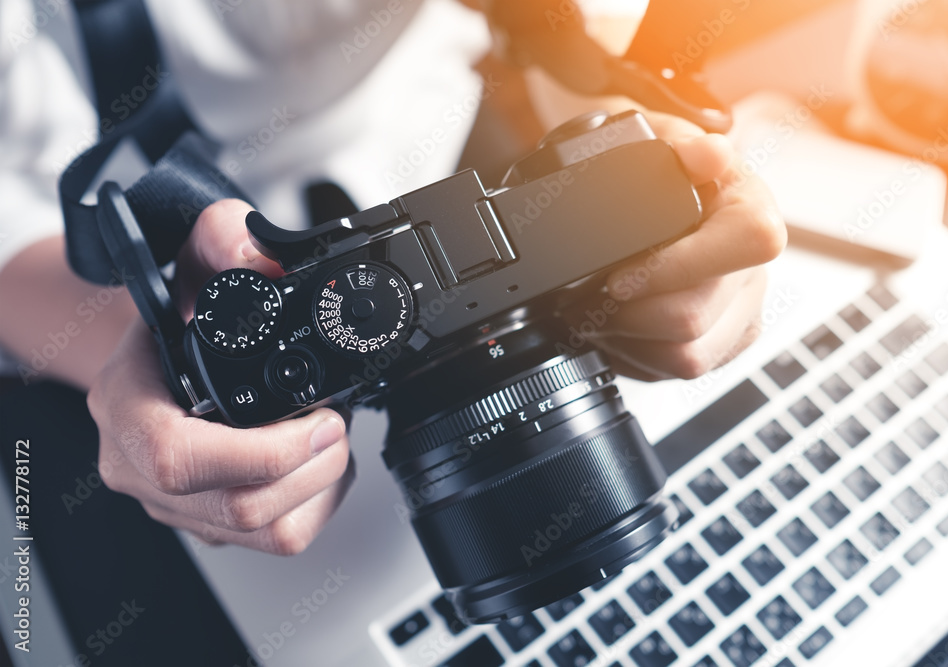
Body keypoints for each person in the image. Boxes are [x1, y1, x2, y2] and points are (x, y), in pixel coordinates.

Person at [0, 0, 785, 557]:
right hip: (136, 259)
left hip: (459, 126)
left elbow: (574, 35)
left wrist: (636, 170)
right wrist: (160, 361)